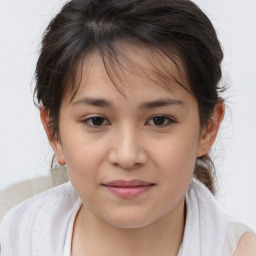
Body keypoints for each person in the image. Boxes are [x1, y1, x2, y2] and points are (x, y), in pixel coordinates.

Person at [0, 0, 255, 255]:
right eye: (96, 120)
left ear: (208, 128)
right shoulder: (14, 241)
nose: (127, 155)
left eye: (159, 120)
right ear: (54, 132)